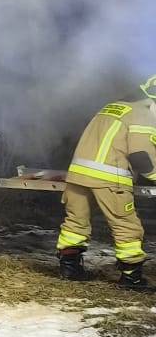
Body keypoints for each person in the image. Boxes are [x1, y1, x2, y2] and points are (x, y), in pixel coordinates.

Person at [56, 75, 156, 290]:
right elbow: (141, 156)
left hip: (78, 175)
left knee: (75, 223)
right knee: (126, 225)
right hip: (111, 177)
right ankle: (132, 278)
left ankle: (69, 269)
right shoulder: (142, 114)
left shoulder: (113, 107)